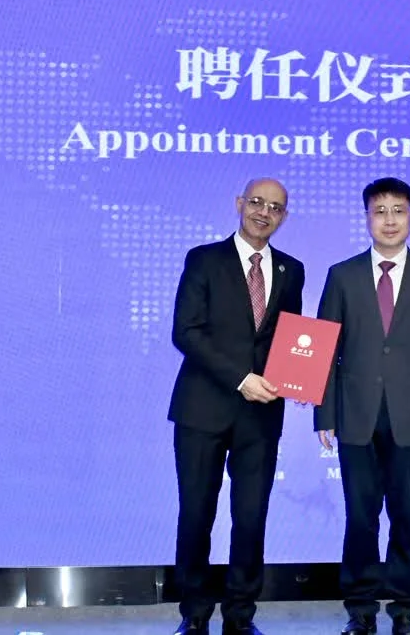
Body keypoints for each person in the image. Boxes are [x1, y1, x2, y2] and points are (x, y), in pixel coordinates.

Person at [314, 178, 410, 635]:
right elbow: (324, 347)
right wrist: (324, 413)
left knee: (406, 515)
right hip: (355, 415)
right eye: (380, 211)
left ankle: (405, 609)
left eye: (399, 210)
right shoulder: (342, 275)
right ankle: (359, 610)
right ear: (367, 218)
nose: (390, 220)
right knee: (360, 518)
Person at [168, 178, 305, 635]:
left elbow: (290, 338)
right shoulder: (204, 259)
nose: (264, 212)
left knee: (250, 519)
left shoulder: (292, 270)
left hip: (261, 415)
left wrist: (298, 377)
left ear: (284, 217)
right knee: (196, 516)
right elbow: (186, 331)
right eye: (257, 202)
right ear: (239, 204)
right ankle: (194, 614)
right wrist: (241, 378)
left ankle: (241, 616)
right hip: (202, 410)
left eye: (275, 207)